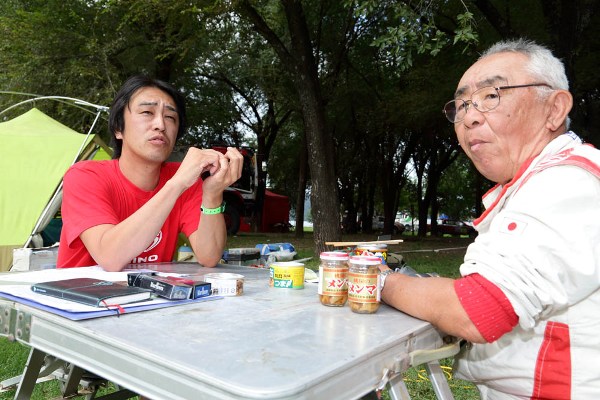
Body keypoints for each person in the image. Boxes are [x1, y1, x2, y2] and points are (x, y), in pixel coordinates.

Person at [379, 39, 600, 398]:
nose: (470, 116)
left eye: (492, 95)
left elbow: (478, 310)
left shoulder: (567, 182)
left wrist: (377, 281)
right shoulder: (539, 182)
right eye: (462, 103)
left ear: (555, 108)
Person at [57, 75, 243, 271]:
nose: (160, 125)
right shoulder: (84, 176)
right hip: (81, 297)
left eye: (170, 117)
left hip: (149, 299)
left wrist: (212, 195)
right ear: (118, 128)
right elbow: (110, 257)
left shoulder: (186, 182)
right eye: (147, 112)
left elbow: (210, 256)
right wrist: (176, 184)